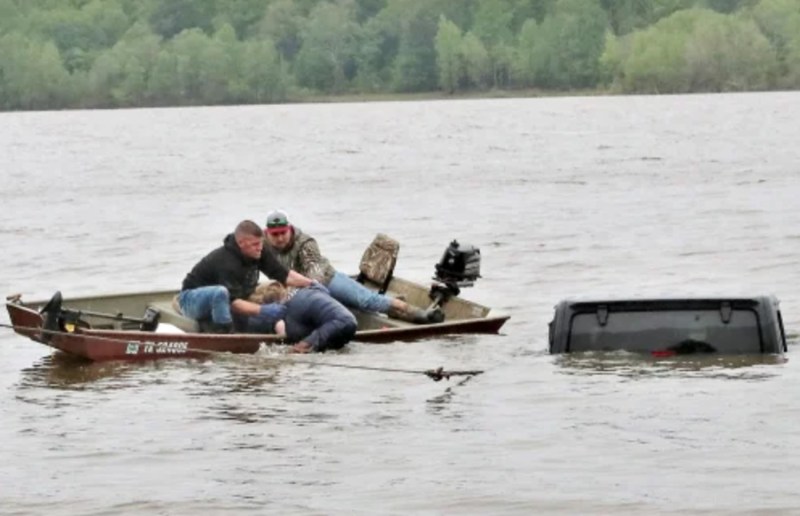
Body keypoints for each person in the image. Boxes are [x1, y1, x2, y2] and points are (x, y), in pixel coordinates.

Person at [262, 210, 444, 324]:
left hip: (326, 280)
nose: (280, 238)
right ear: (267, 233)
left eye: (283, 233)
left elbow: (315, 277)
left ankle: (418, 313)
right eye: (275, 234)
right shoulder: (261, 244)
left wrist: (290, 295)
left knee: (366, 301)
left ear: (290, 229)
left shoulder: (305, 244)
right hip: (294, 289)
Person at [178, 219, 314, 333]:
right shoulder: (227, 262)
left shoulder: (259, 250)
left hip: (230, 300)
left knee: (273, 294)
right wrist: (262, 310)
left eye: (261, 242)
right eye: (255, 244)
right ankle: (224, 333)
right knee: (220, 293)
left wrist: (311, 283)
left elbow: (284, 275)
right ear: (241, 243)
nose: (260, 247)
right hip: (191, 300)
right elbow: (233, 302)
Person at [247, 281, 357, 353]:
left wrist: (306, 343)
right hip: (346, 322)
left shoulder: (289, 310)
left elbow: (289, 336)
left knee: (294, 351)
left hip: (340, 323)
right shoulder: (305, 291)